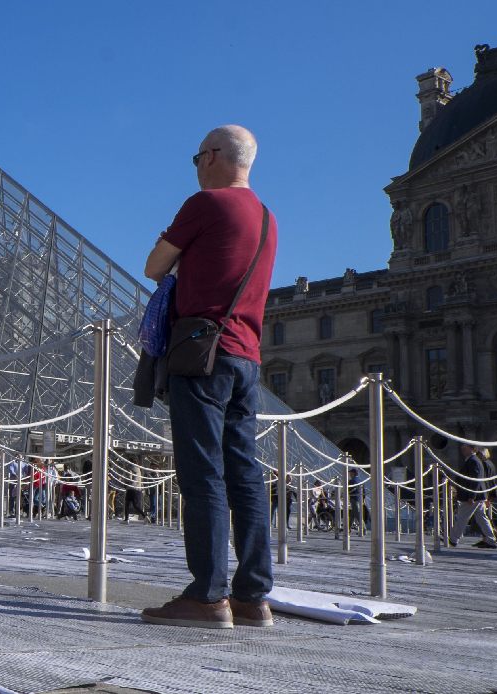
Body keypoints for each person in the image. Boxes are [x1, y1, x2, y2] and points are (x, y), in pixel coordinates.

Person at [140, 125, 278, 630]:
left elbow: (155, 265)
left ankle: (207, 595)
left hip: (203, 354)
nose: (196, 166)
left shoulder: (206, 204)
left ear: (215, 156)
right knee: (245, 475)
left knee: (202, 475)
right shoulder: (267, 217)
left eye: (198, 156)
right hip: (247, 358)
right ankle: (253, 597)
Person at [448, 444, 497, 549]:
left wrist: (472, 495)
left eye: (465, 448)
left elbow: (476, 479)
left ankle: (453, 539)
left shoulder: (473, 461)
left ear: (473, 449)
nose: (463, 450)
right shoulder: (473, 460)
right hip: (478, 495)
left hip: (473, 495)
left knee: (462, 517)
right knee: (482, 518)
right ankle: (491, 540)